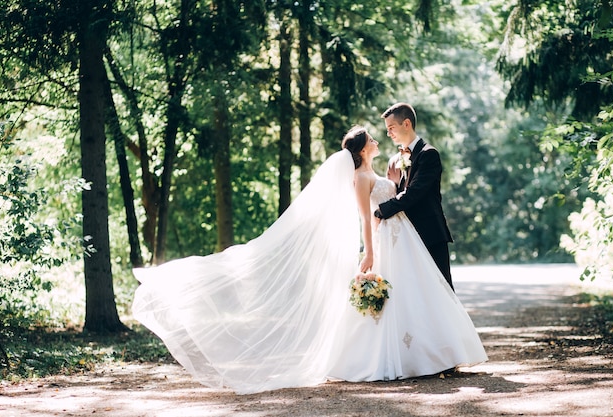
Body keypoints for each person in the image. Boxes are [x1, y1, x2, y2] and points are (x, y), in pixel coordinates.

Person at [132, 126, 487, 394]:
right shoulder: (360, 177)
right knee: (388, 302)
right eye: (373, 139)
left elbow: (394, 196)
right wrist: (371, 251)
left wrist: (394, 181)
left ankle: (423, 355)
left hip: (400, 243)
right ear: (364, 148)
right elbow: (366, 218)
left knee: (408, 297)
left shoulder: (377, 173)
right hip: (384, 243)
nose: (379, 140)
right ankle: (382, 358)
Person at [373, 103, 455, 290]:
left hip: (429, 233)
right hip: (404, 237)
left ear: (406, 124)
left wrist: (382, 211)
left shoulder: (429, 155)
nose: (388, 133)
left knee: (442, 290)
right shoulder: (394, 160)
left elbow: (415, 192)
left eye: (391, 128)